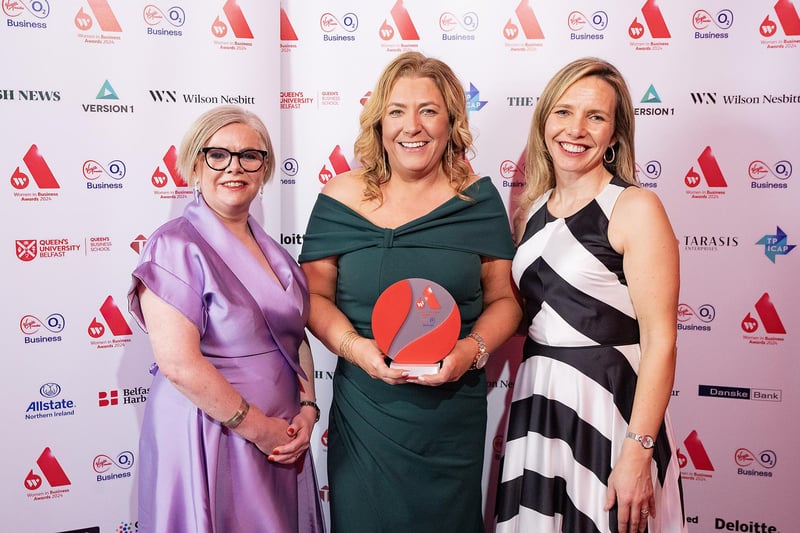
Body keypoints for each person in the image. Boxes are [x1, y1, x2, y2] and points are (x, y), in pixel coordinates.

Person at [299, 51, 521, 532]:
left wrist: (471, 350)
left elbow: (505, 301)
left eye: (429, 110)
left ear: (451, 122)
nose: (411, 126)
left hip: (451, 415)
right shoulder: (341, 197)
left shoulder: (477, 201)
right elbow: (313, 299)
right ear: (380, 122)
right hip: (367, 411)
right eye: (397, 111)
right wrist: (356, 350)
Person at [495, 58, 686, 533]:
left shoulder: (635, 207)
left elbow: (661, 340)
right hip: (539, 403)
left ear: (615, 134)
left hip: (609, 407)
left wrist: (638, 452)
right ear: (544, 122)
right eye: (563, 112)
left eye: (595, 117)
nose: (575, 129)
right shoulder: (534, 208)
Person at [127, 105, 325, 532]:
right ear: (196, 164)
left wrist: (308, 409)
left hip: (282, 433)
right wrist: (257, 428)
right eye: (219, 154)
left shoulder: (276, 253)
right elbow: (178, 364)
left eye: (250, 156)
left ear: (264, 168)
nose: (234, 167)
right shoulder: (174, 246)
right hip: (212, 430)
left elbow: (296, 338)